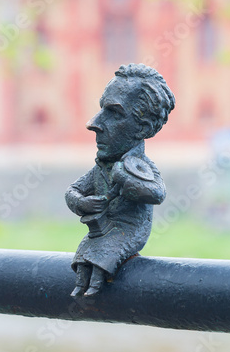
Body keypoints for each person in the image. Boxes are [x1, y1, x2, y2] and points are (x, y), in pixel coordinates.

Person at [65, 63, 175, 297]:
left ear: (142, 127)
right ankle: (84, 288)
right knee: (85, 255)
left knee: (102, 255)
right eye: (101, 109)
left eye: (114, 113)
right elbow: (73, 191)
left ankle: (91, 289)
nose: (94, 123)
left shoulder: (139, 167)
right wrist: (80, 203)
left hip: (124, 234)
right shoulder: (100, 167)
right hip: (98, 232)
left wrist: (125, 179)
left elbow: (156, 193)